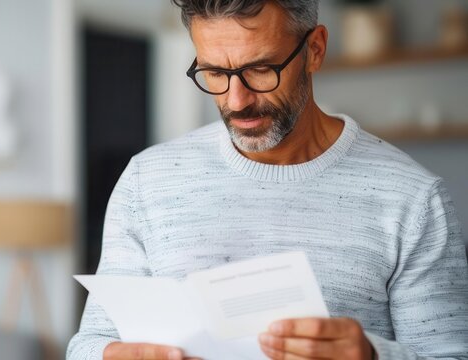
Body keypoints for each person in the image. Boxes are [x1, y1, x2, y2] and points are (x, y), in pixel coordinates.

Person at [67, 0, 468, 359]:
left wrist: (372, 356)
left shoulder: (413, 198)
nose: (236, 100)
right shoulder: (146, 181)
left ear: (315, 49)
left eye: (260, 69)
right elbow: (89, 343)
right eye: (214, 72)